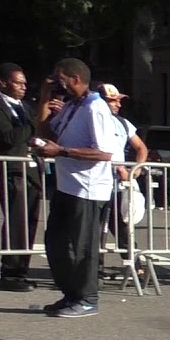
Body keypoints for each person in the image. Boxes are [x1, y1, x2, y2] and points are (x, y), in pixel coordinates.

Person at [31, 58, 120, 317]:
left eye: (60, 80)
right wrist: (44, 97)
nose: (58, 84)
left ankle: (87, 298)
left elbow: (105, 152)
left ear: (76, 79)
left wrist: (62, 151)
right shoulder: (72, 107)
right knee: (56, 242)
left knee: (83, 247)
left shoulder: (96, 107)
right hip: (66, 186)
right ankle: (71, 294)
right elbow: (45, 130)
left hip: (88, 189)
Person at [0, 63, 43, 292]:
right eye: (18, 82)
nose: (23, 87)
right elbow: (9, 137)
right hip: (10, 170)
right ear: (3, 82)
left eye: (25, 83)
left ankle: (21, 271)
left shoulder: (26, 107)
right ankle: (10, 273)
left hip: (30, 171)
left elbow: (35, 134)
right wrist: (33, 124)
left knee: (30, 221)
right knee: (16, 221)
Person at [95, 83, 149, 279]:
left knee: (123, 228)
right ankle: (96, 269)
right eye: (113, 100)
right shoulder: (94, 120)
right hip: (97, 183)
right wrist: (119, 167)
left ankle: (135, 265)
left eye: (119, 100)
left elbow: (141, 148)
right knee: (96, 228)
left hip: (118, 185)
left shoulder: (123, 123)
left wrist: (137, 168)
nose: (118, 104)